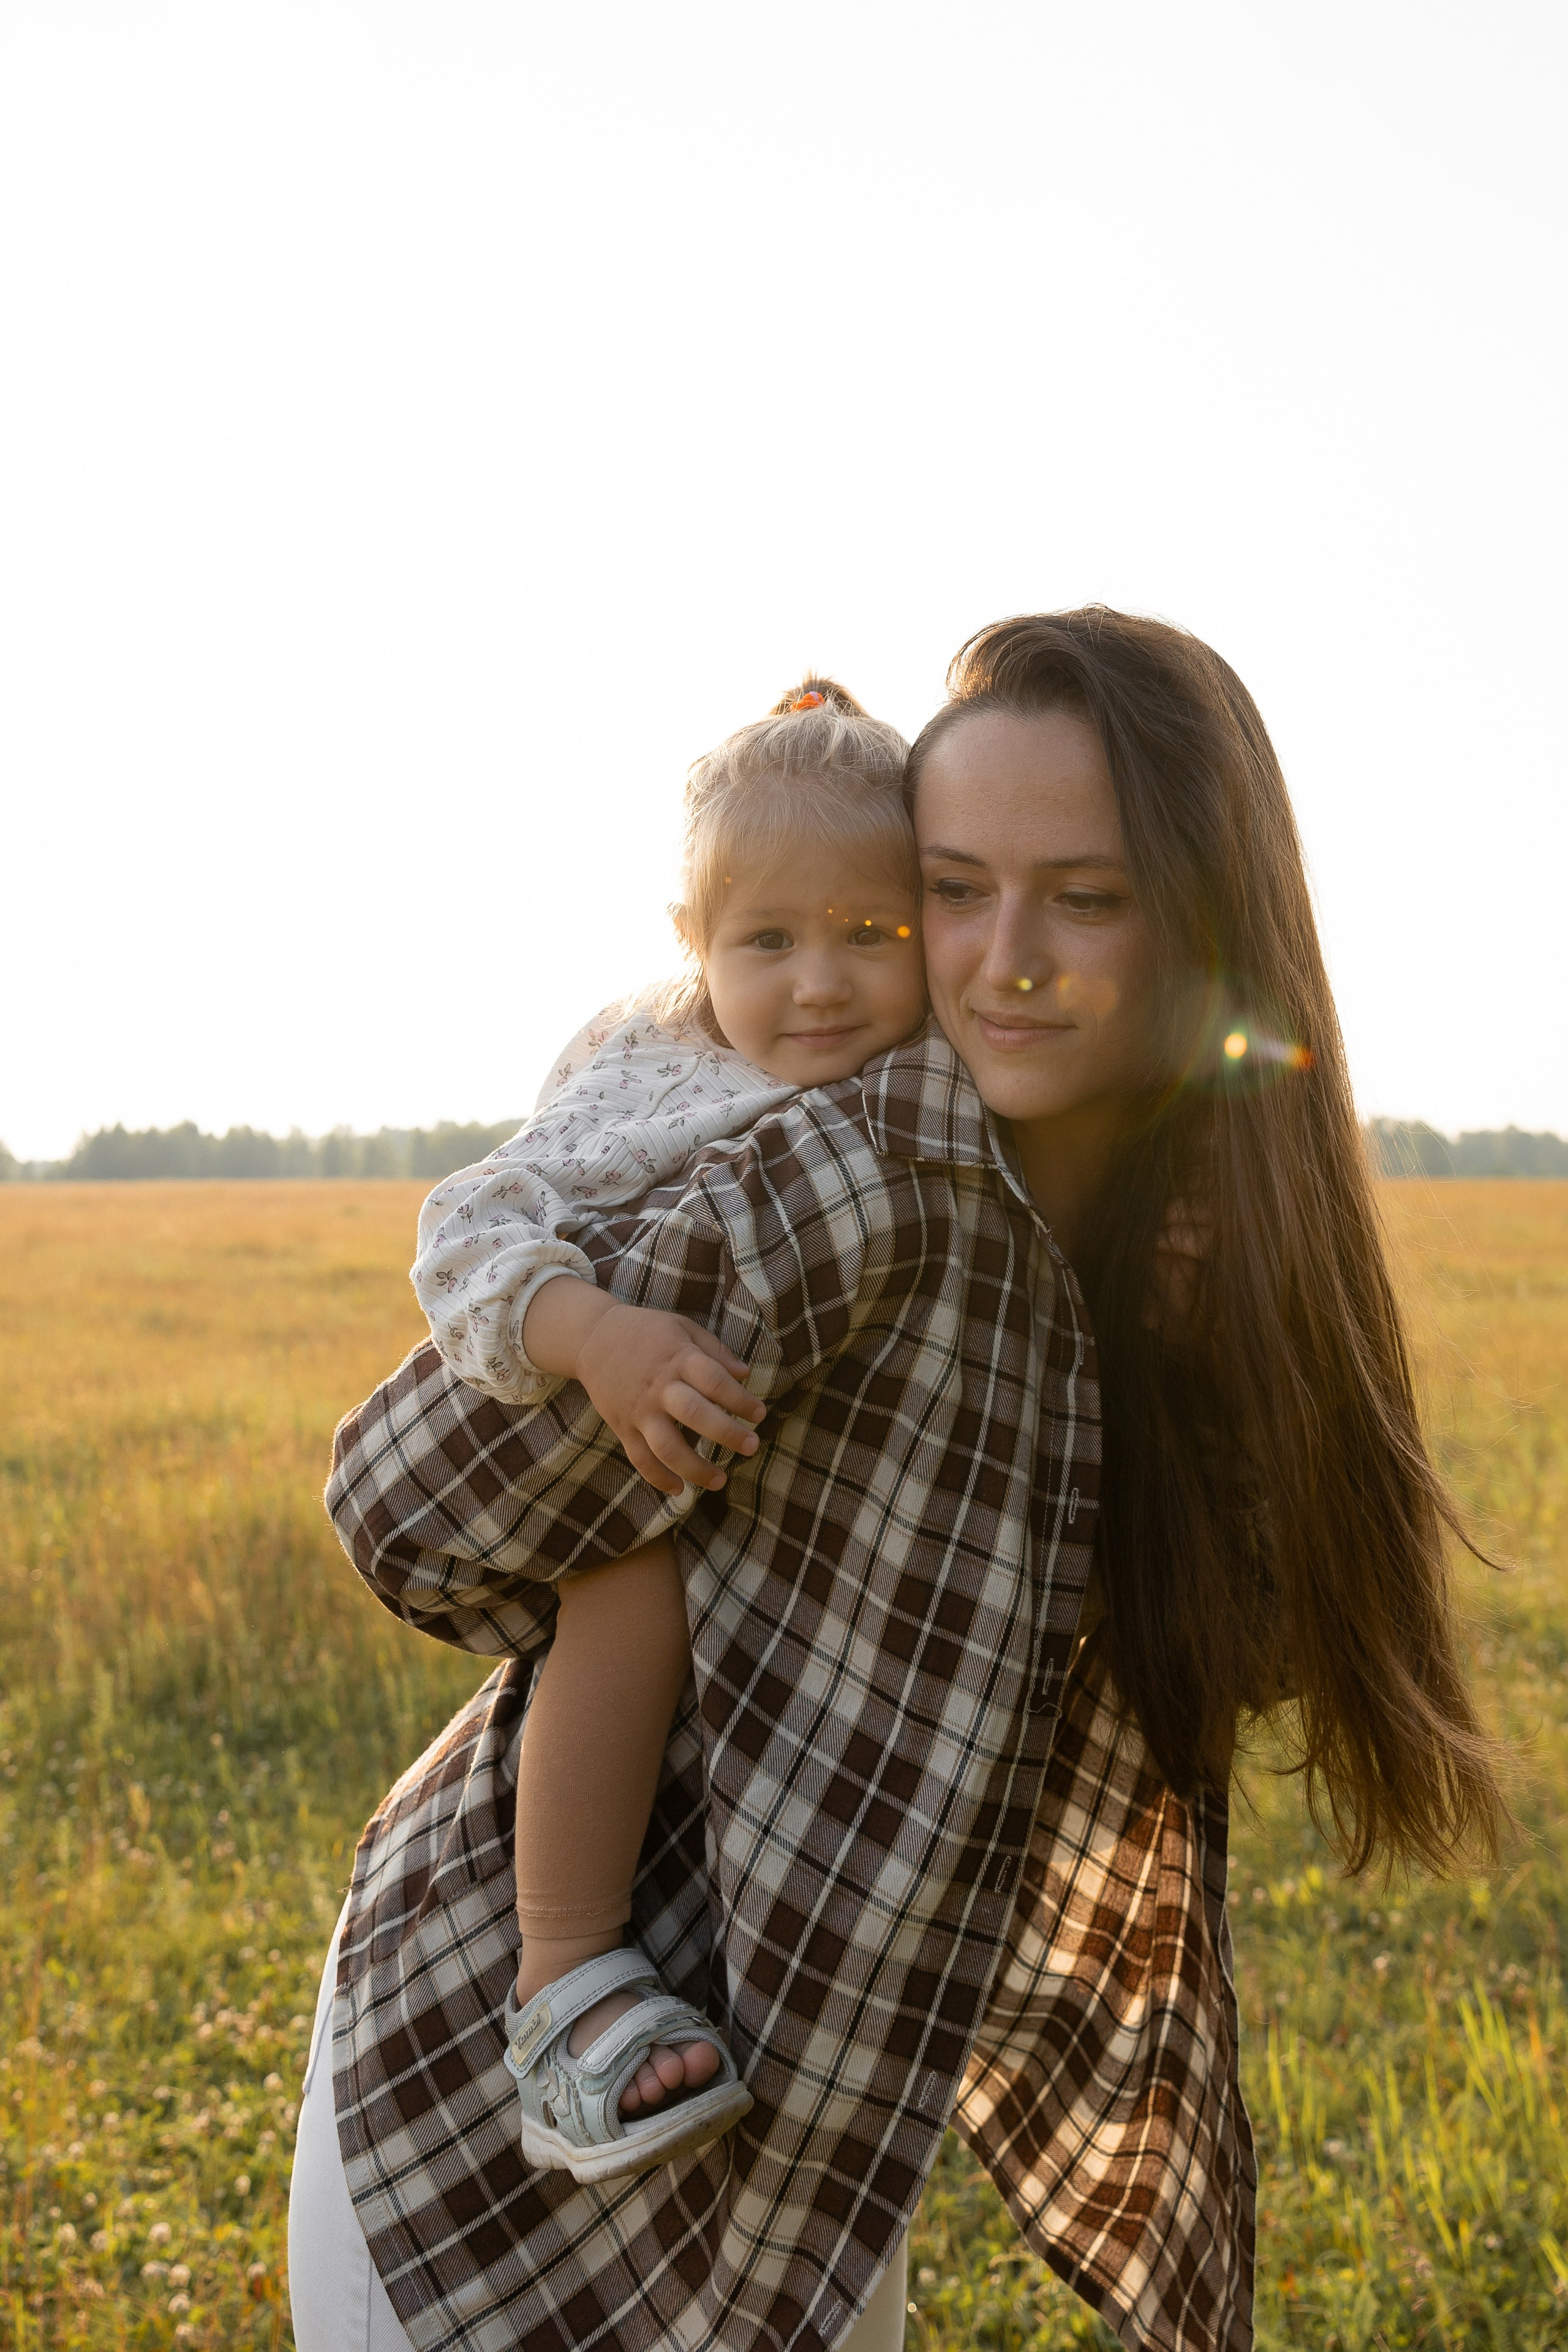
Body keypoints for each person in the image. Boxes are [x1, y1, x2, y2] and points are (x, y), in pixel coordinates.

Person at [296, 608, 1499, 2352]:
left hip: (809, 2158)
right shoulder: (844, 1176)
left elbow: (1223, 1665)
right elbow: (400, 1503)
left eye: (1085, 897)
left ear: (1203, 921)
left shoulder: (1177, 1247)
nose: (1003, 960)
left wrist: (1182, 1373)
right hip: (489, 2101)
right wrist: (611, 1402)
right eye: (953, 889)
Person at [409, 678, 927, 2176]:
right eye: (767, 941)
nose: (819, 981)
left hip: (805, 1521)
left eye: (869, 933)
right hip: (631, 1463)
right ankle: (562, 1983)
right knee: (626, 1594)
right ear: (694, 944)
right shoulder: (664, 1076)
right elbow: (469, 1227)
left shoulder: (921, 1080)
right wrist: (599, 1338)